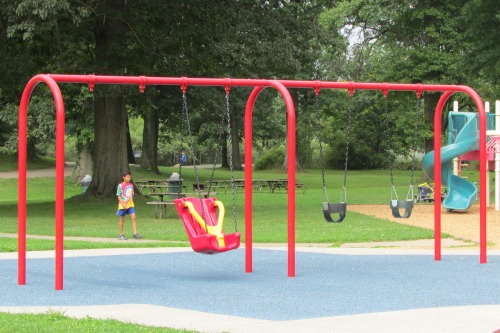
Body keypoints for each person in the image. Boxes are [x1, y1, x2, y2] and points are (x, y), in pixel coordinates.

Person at [116, 171, 141, 240]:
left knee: (134, 218)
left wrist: (131, 202)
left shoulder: (131, 185)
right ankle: (121, 234)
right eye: (127, 177)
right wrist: (123, 204)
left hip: (130, 204)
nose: (129, 178)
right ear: (123, 177)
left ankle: (135, 234)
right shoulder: (120, 185)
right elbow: (118, 196)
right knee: (122, 219)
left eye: (130, 177)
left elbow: (131, 195)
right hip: (122, 204)